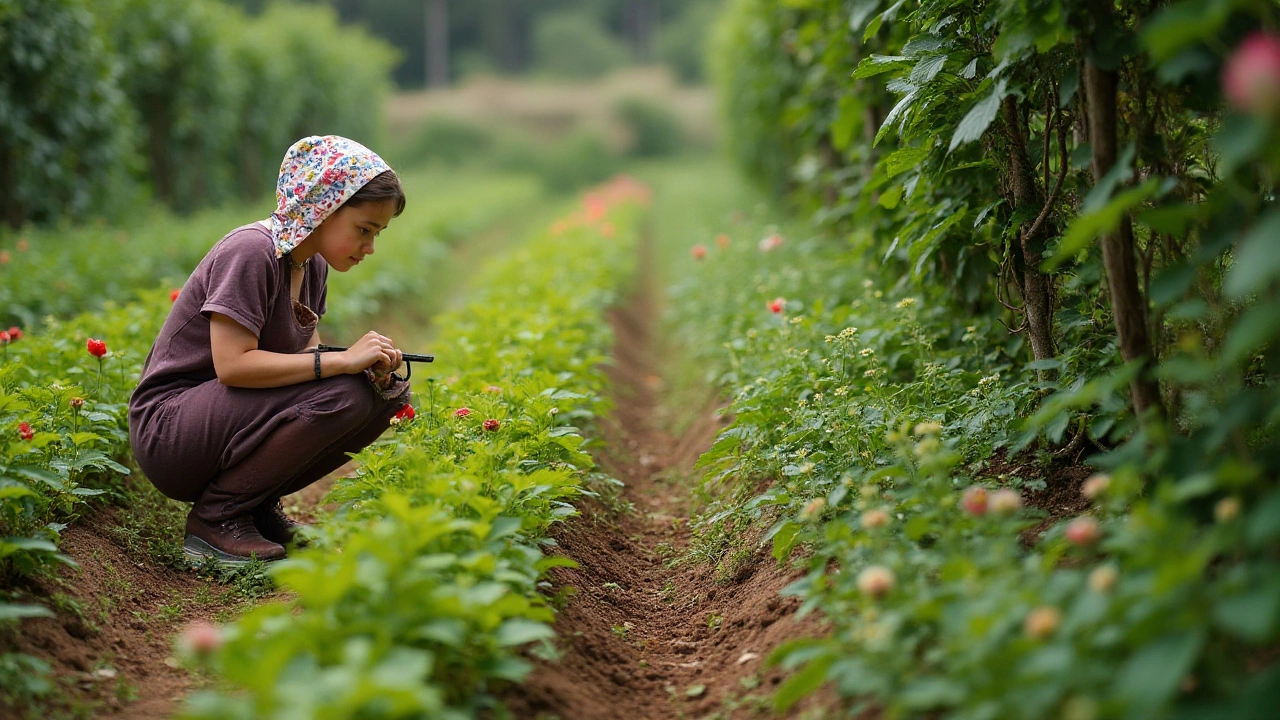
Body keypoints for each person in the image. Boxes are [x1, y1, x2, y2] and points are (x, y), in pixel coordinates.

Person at [128, 135, 412, 565]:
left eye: (377, 233)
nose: (370, 247)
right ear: (323, 208)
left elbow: (303, 362)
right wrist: (341, 361)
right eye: (364, 230)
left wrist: (368, 369)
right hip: (170, 429)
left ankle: (257, 506)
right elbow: (232, 366)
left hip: (221, 422)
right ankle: (217, 518)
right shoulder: (253, 251)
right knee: (341, 389)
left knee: (383, 394)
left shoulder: (310, 263)